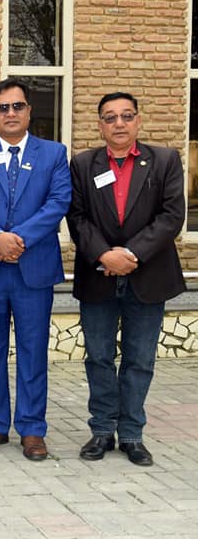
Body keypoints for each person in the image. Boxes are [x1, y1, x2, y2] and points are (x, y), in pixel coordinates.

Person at [67, 92, 185, 466]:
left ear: (138, 120)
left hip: (147, 275)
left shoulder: (165, 160)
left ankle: (132, 435)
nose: (119, 123)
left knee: (139, 360)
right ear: (100, 125)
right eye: (110, 117)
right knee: (99, 358)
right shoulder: (83, 164)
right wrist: (105, 255)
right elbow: (77, 217)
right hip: (98, 275)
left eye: (126, 115)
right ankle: (102, 430)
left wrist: (130, 255)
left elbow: (172, 216)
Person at [0, 78, 71, 461]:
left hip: (33, 266)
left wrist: (17, 239)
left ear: (29, 111)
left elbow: (58, 202)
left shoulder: (53, 153)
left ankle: (32, 429)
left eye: (17, 106)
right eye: (2, 107)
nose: (10, 113)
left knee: (33, 350)